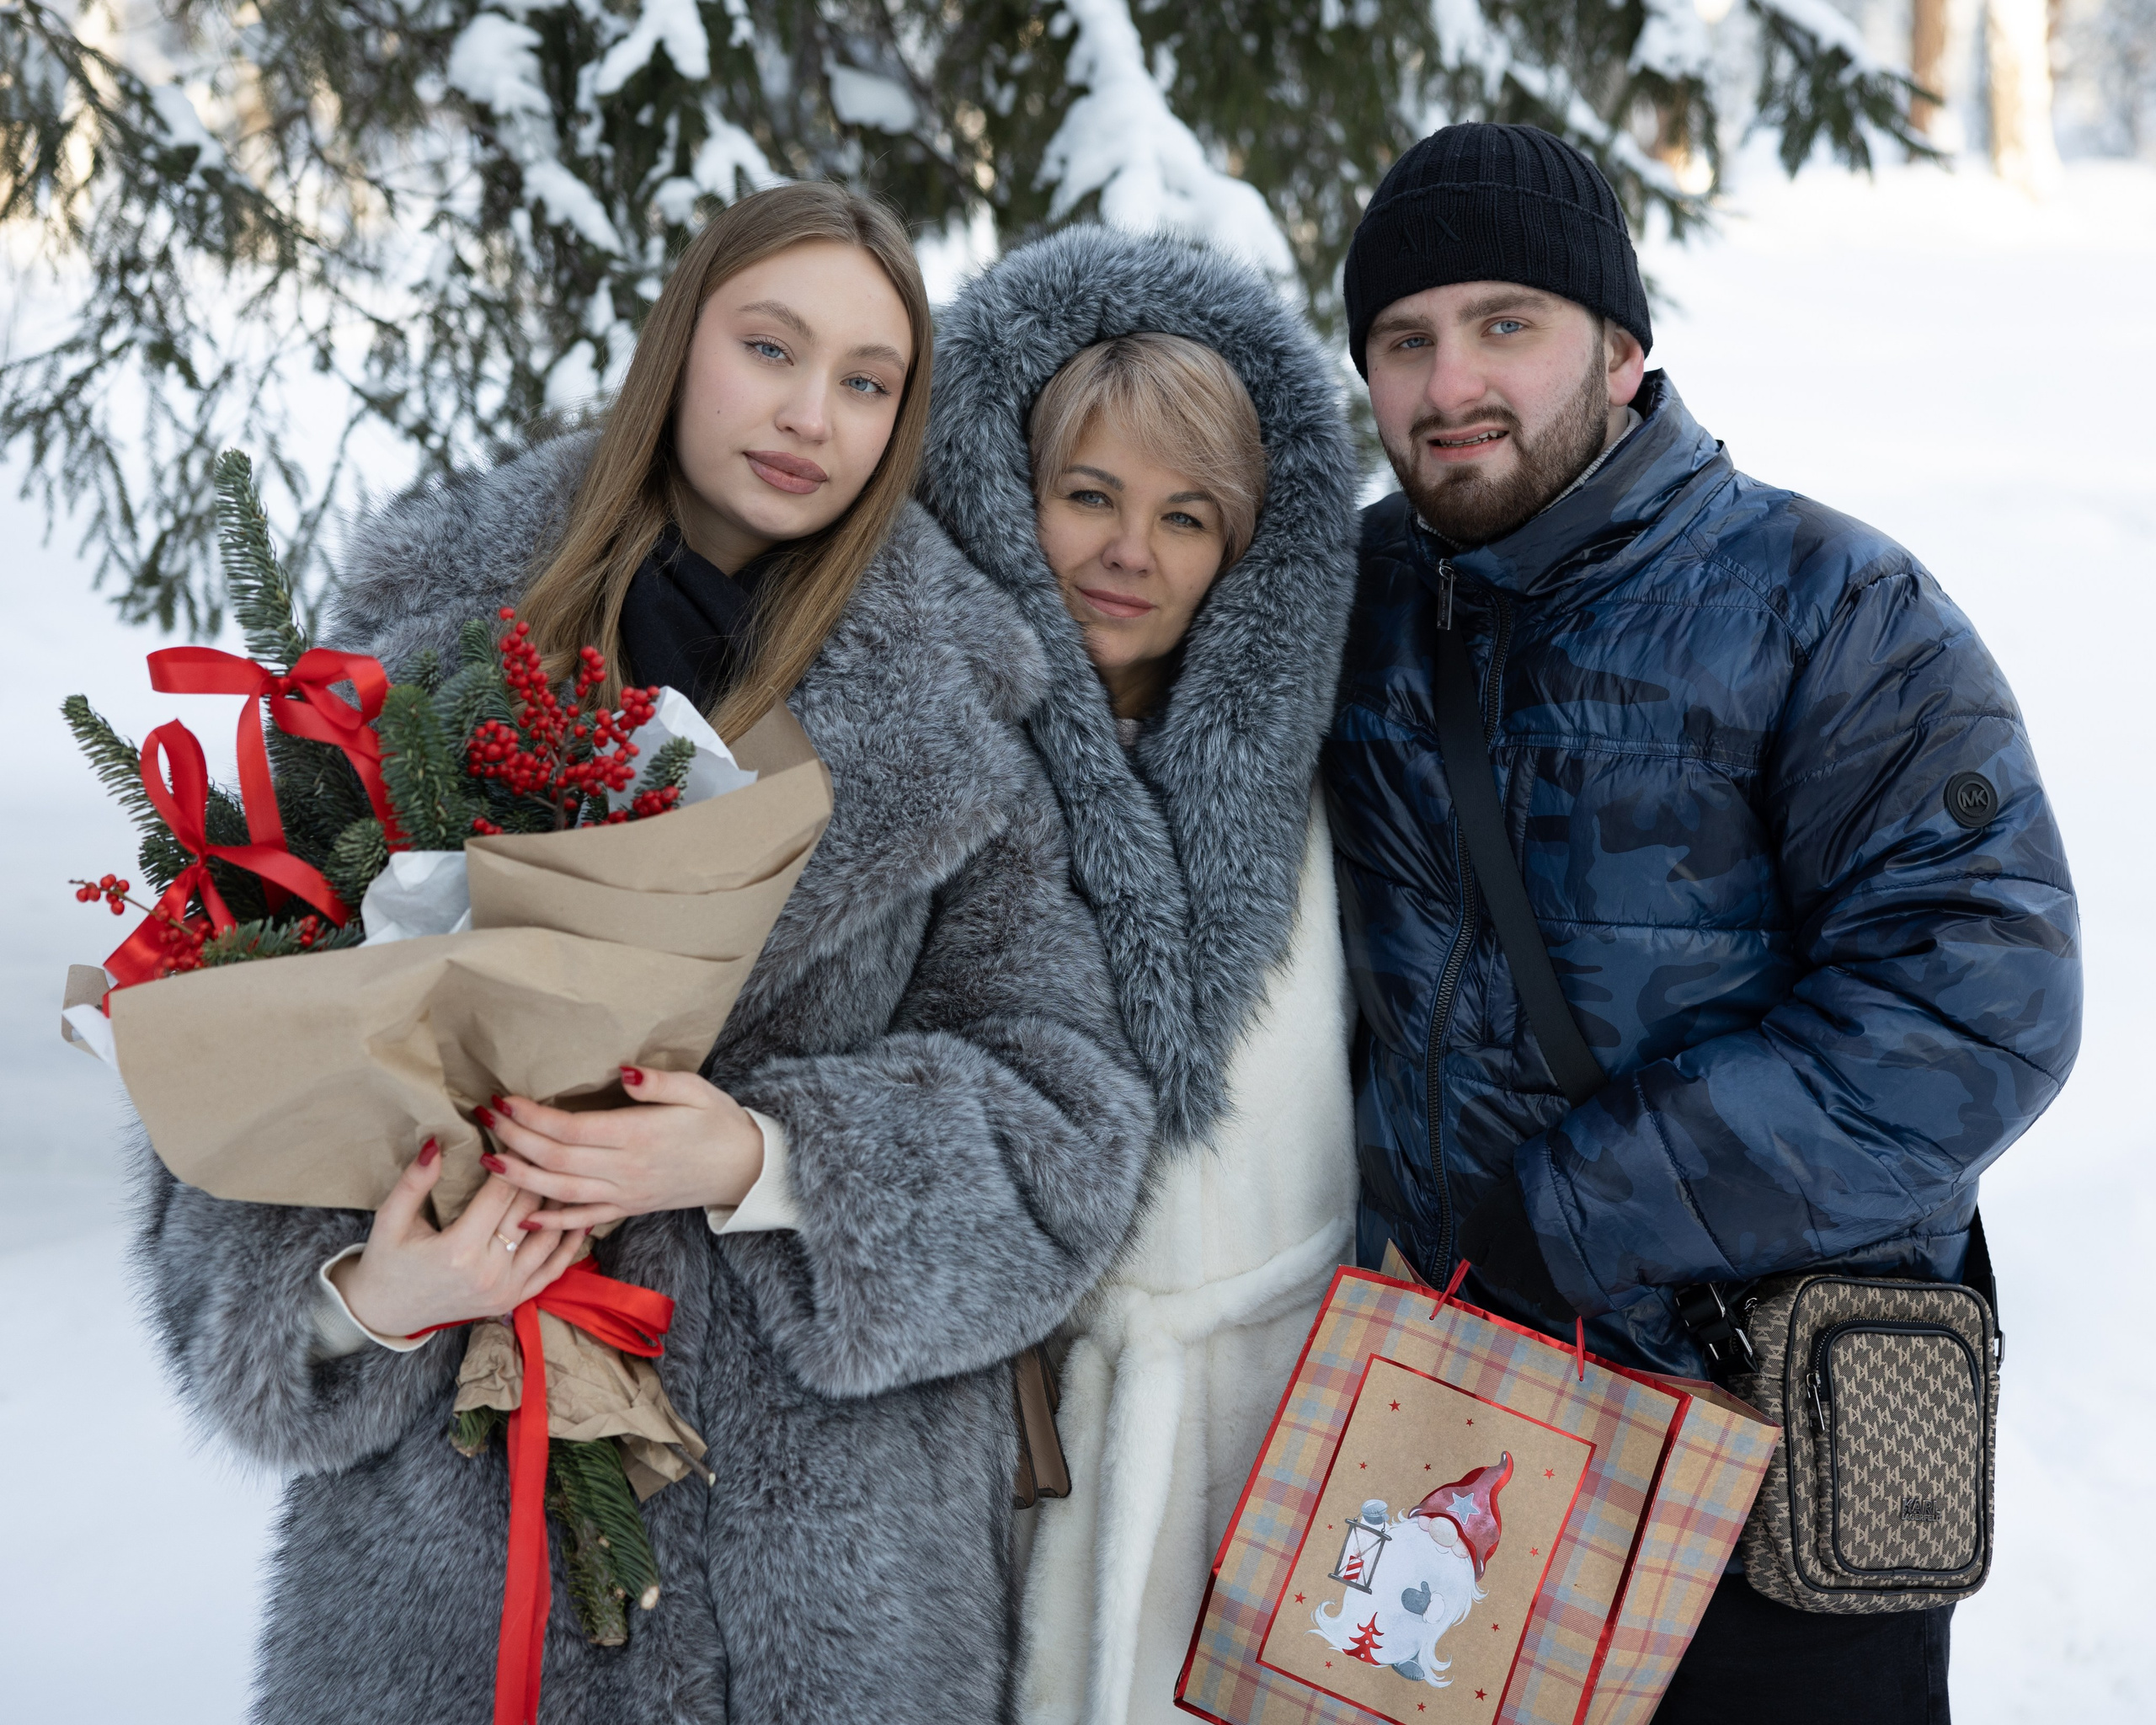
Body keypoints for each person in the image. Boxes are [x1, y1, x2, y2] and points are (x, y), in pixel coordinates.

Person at [132, 181, 1152, 1725]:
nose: (813, 413)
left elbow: (1068, 1130)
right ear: (682, 345)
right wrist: (370, 1292)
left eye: (868, 382)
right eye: (771, 347)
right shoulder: (411, 655)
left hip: (826, 1614)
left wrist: (765, 1157)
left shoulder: (965, 720)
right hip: (456, 1597)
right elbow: (220, 1112)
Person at [1323, 121, 2081, 1724]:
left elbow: (1979, 1009)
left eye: (1504, 324)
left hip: (1769, 1445)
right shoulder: (1353, 605)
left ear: (1621, 343)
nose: (1451, 383)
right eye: (1405, 340)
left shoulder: (1834, 610)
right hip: (1457, 1444)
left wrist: (1575, 1215)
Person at [921, 228, 1361, 1725]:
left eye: (1186, 516)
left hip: (1276, 1422)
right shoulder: (928, 752)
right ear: (1006, 496)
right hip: (1003, 1425)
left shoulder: (1322, 756)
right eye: (1088, 496)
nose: (1131, 553)